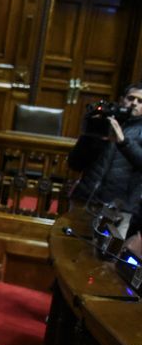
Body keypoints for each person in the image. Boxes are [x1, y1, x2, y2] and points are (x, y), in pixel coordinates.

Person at [68, 83, 142, 238]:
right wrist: (89, 136)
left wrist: (123, 142)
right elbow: (75, 163)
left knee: (106, 251)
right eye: (131, 98)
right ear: (122, 100)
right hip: (86, 198)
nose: (134, 103)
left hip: (120, 209)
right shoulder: (103, 122)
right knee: (71, 244)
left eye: (140, 101)